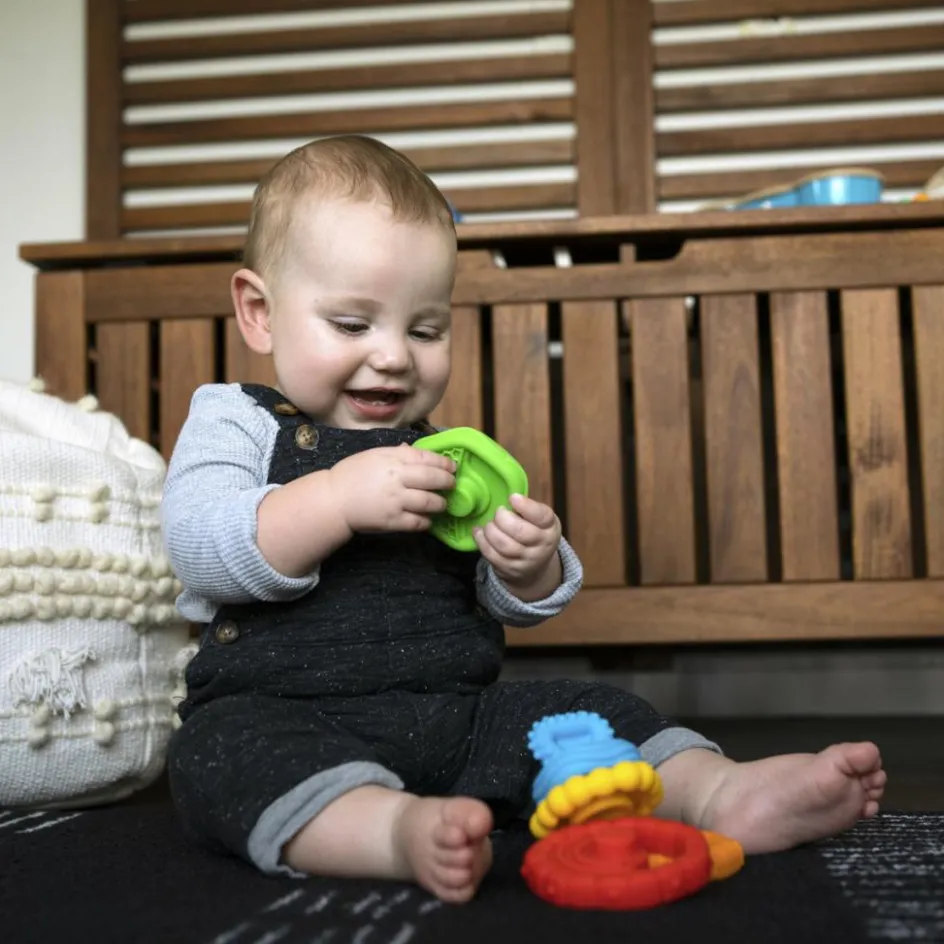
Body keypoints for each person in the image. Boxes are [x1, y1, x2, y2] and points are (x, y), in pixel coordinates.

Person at [162, 135, 886, 903]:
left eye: (425, 329)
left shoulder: (443, 453)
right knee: (216, 756)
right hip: (284, 715)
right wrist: (337, 499)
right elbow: (201, 546)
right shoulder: (234, 421)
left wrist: (527, 561)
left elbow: (509, 604)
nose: (394, 358)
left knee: (584, 712)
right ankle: (392, 831)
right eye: (351, 325)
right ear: (259, 313)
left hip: (461, 722)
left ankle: (718, 793)